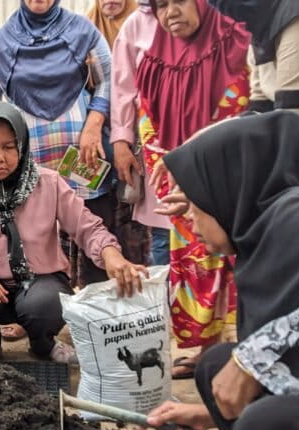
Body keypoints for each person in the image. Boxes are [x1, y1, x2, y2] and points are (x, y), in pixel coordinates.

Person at [144, 111, 299, 430]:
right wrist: (206, 414)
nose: (189, 219)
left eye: (196, 205)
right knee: (216, 367)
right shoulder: (271, 235)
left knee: (267, 429)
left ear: (229, 193)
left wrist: (254, 359)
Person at [0, 102, 148, 362]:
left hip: (38, 282)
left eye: (9, 147)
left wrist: (111, 254)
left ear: (22, 147)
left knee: (46, 305)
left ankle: (43, 344)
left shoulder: (48, 182)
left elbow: (87, 227)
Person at [136, 0, 250, 377]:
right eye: (161, 5)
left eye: (179, 1)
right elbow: (148, 119)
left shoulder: (233, 45)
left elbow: (239, 116)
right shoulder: (154, 56)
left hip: (232, 187)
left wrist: (199, 174)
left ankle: (244, 356)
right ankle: (206, 352)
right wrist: (171, 171)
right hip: (182, 189)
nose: (170, 12)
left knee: (236, 264)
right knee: (194, 267)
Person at [0, 0, 116, 292]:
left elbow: (109, 79)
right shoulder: (3, 40)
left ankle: (97, 313)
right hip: (30, 160)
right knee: (32, 235)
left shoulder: (82, 30)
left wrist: (94, 125)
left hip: (83, 156)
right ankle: (31, 309)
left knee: (91, 225)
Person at [208, 0, 299, 146]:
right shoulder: (263, 20)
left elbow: (293, 127)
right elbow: (261, 107)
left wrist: (199, 153)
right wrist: (203, 140)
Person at [88, 0, 152, 273]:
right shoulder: (86, 30)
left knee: (135, 215)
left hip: (137, 139)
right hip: (94, 143)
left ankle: (138, 281)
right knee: (99, 215)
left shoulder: (142, 27)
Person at [110, 0, 173, 266]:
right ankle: (164, 304)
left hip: (200, 143)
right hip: (156, 146)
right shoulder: (136, 24)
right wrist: (121, 142)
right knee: (163, 234)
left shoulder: (206, 15)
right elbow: (122, 90)